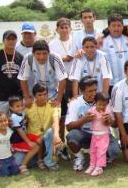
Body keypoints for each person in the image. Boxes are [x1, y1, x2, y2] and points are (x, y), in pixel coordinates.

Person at [65, 76, 119, 172]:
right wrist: (84, 120)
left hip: (103, 135)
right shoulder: (75, 102)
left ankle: (95, 153)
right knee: (72, 136)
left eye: (95, 90)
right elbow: (69, 127)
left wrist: (110, 120)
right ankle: (80, 157)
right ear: (81, 91)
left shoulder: (104, 100)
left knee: (114, 151)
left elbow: (114, 125)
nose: (94, 94)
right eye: (90, 91)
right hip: (84, 135)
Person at [49, 17, 73, 160]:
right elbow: (51, 61)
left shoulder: (75, 42)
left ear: (70, 29)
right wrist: (63, 58)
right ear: (57, 29)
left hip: (75, 80)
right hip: (60, 82)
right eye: (61, 27)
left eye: (66, 27)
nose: (64, 30)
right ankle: (61, 144)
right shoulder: (52, 45)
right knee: (61, 115)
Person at [18, 40, 67, 108]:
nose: (41, 57)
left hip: (54, 93)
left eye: (44, 53)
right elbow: (22, 78)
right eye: (38, 54)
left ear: (48, 52)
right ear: (33, 53)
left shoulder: (55, 58)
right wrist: (27, 98)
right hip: (38, 94)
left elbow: (63, 79)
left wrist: (58, 100)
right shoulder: (28, 58)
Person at [25, 83, 62, 171]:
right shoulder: (28, 107)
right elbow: (20, 123)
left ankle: (49, 162)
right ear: (34, 96)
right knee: (28, 163)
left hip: (47, 139)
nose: (43, 97)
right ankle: (41, 158)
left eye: (45, 94)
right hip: (33, 141)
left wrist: (56, 135)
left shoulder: (53, 105)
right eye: (39, 95)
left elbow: (56, 122)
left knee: (52, 131)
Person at [0, 30, 23, 115]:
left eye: (13, 39)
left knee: (16, 124)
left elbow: (23, 77)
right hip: (1, 98)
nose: (11, 41)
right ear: (3, 41)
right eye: (8, 39)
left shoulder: (20, 57)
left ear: (16, 40)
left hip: (17, 98)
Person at [101, 14, 128, 94]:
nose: (116, 28)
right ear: (108, 27)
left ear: (122, 26)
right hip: (111, 83)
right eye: (113, 25)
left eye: (119, 25)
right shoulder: (102, 42)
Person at [85, 93, 114, 176]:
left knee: (101, 152)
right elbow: (87, 116)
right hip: (94, 135)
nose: (102, 107)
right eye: (100, 104)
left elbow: (109, 122)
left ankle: (99, 167)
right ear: (95, 102)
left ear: (107, 104)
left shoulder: (107, 112)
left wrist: (107, 119)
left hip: (104, 135)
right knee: (93, 151)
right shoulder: (92, 110)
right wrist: (89, 116)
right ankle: (92, 165)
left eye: (104, 105)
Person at [8, 96, 40, 175]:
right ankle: (23, 165)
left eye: (21, 105)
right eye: (17, 106)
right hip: (17, 141)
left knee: (40, 139)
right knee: (36, 146)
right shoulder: (14, 117)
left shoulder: (21, 113)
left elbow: (25, 120)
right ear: (11, 108)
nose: (20, 108)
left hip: (24, 137)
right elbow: (19, 131)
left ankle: (39, 160)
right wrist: (28, 142)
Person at [0, 112, 20, 177]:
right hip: (0, 159)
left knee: (16, 171)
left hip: (10, 157)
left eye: (5, 120)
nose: (3, 123)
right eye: (0, 121)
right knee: (5, 174)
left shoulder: (9, 130)